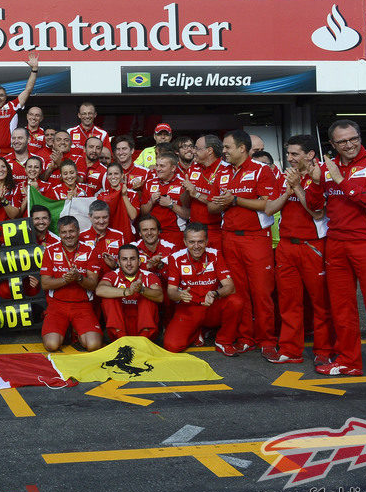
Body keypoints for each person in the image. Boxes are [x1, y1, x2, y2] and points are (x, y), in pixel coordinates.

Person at [306, 120, 366, 393]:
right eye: (342, 141)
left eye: (353, 139)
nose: (349, 145)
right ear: (332, 145)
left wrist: (339, 179)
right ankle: (349, 361)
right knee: (342, 308)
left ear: (359, 137)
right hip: (336, 243)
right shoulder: (326, 167)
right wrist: (314, 182)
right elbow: (314, 206)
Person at [208, 129, 279, 357]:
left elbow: (268, 204)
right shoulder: (222, 172)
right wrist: (221, 203)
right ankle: (246, 337)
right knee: (239, 292)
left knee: (261, 292)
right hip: (229, 236)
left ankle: (267, 339)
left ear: (242, 148)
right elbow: (211, 206)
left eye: (227, 147)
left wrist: (235, 200)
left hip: (256, 237)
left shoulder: (261, 170)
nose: (224, 151)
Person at [263, 135, 330, 366]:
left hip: (313, 245)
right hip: (286, 245)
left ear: (310, 155)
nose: (290, 158)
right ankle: (291, 350)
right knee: (289, 301)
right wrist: (287, 189)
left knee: (320, 303)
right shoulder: (284, 177)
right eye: (288, 154)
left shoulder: (322, 175)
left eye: (295, 154)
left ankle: (323, 350)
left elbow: (317, 213)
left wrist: (298, 187)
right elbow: (270, 209)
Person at [163, 223, 243, 354]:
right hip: (189, 308)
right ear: (184, 242)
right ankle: (196, 331)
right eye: (192, 242)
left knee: (236, 301)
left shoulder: (215, 254)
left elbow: (230, 287)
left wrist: (215, 293)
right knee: (172, 346)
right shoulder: (175, 258)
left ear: (206, 241)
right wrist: (180, 295)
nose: (196, 246)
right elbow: (171, 292)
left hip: (211, 306)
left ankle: (223, 341)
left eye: (200, 241)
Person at [39, 216, 101, 352]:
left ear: (78, 231)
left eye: (71, 231)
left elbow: (93, 285)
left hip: (82, 306)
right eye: (64, 232)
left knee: (93, 345)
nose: (68, 236)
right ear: (59, 234)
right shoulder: (50, 251)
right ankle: (66, 330)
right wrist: (66, 280)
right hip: (57, 305)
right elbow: (45, 284)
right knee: (52, 345)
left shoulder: (90, 250)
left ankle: (75, 331)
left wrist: (78, 278)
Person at [97, 244, 163, 341]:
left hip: (146, 331)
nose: (129, 263)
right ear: (119, 262)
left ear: (139, 261)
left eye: (132, 259)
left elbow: (160, 296)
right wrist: (128, 291)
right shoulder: (112, 275)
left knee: (147, 296)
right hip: (120, 330)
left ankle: (143, 340)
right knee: (108, 298)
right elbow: (99, 290)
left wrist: (142, 290)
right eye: (124, 259)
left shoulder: (149, 276)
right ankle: (122, 340)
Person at [181, 135, 229, 252]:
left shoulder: (226, 170)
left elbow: (220, 202)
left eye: (197, 148)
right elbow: (185, 203)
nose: (193, 151)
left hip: (216, 230)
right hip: (194, 230)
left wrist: (196, 194)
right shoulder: (193, 168)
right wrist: (187, 192)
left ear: (209, 151)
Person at [139, 153, 189, 247]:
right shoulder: (149, 183)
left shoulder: (183, 184)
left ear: (173, 168)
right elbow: (143, 213)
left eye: (162, 166)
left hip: (175, 233)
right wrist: (151, 202)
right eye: (157, 165)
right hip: (152, 234)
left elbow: (189, 215)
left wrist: (171, 205)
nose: (158, 169)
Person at [80, 200, 124, 275]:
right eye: (97, 218)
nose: (101, 221)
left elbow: (126, 265)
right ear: (90, 217)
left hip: (112, 283)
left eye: (105, 217)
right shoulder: (81, 236)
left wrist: (116, 265)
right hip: (88, 283)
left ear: (109, 216)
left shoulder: (118, 236)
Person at [99, 162, 139, 242]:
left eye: (116, 173)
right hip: (109, 237)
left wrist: (124, 195)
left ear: (122, 175)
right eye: (110, 174)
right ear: (107, 176)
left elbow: (133, 216)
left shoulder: (133, 194)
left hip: (127, 236)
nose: (113, 177)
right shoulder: (102, 196)